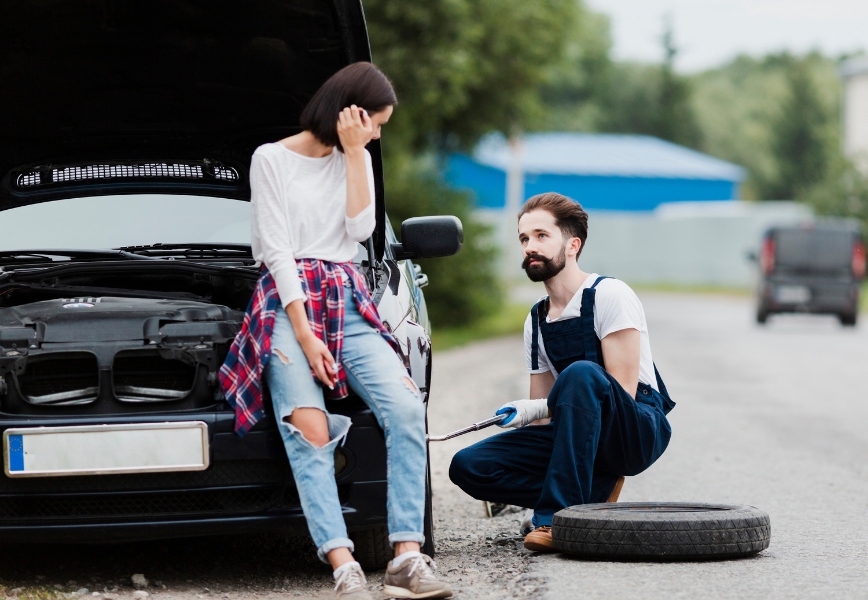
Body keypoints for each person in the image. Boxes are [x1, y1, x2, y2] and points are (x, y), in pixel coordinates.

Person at [220, 62, 452, 600]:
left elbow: (358, 230)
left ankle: (407, 557)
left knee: (404, 408)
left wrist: (354, 155)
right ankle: (343, 563)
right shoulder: (271, 158)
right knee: (310, 431)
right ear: (349, 110)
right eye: (375, 123)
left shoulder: (358, 160)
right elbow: (277, 252)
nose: (376, 134)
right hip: (288, 304)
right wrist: (304, 336)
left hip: (347, 299)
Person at [448, 192, 675, 552]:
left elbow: (622, 389)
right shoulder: (536, 320)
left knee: (581, 373)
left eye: (541, 236)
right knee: (467, 465)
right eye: (524, 238)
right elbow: (542, 413)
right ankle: (594, 491)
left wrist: (553, 412)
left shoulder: (610, 295)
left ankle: (555, 519)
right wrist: (528, 420)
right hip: (575, 432)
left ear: (572, 245)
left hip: (633, 429)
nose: (529, 247)